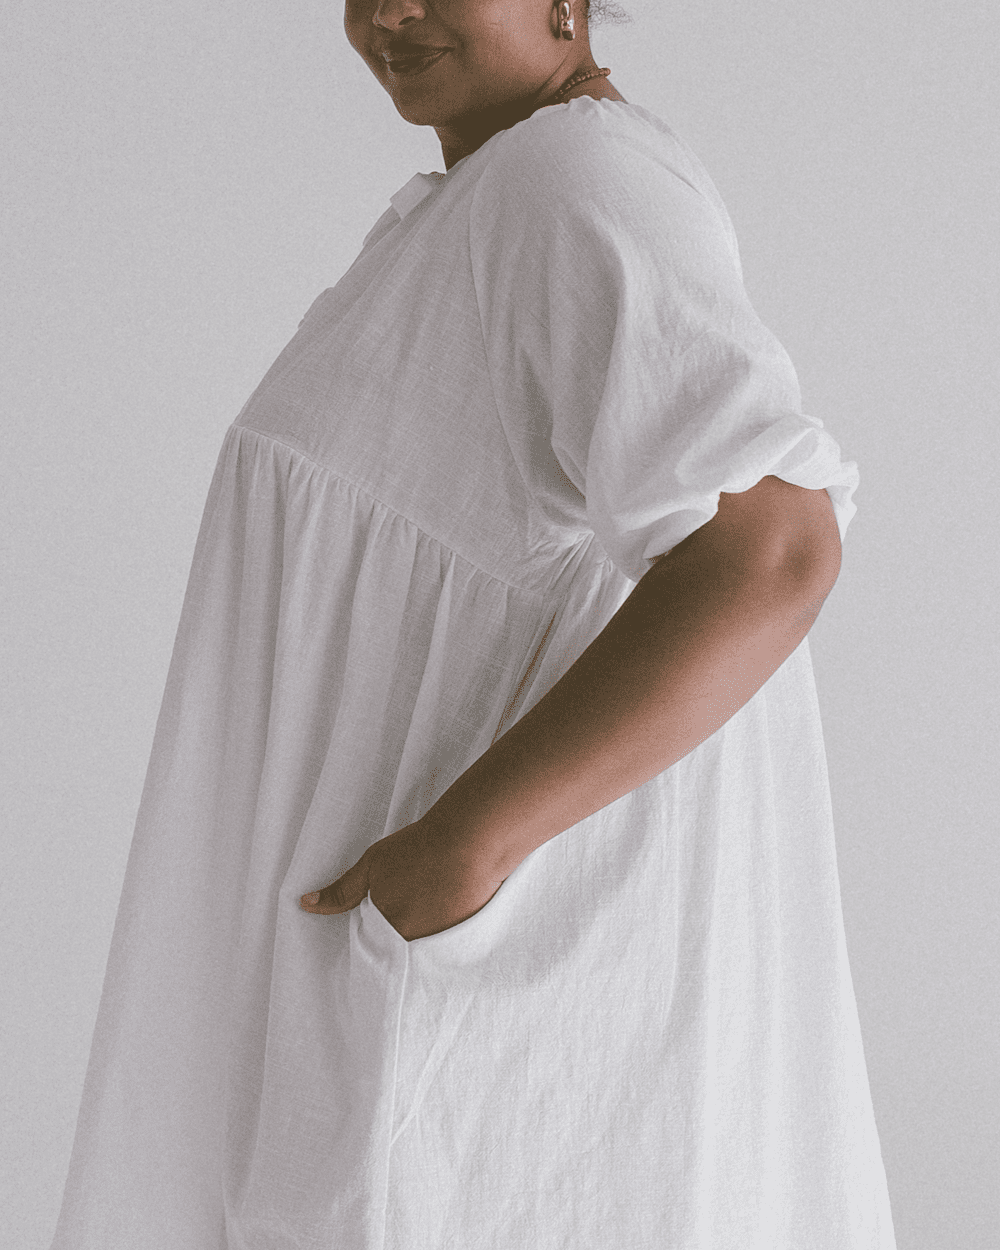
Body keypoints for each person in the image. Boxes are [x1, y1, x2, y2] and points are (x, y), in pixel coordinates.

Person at [49, 0, 898, 1247]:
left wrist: (464, 846)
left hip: (494, 996)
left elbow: (769, 548)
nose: (389, 11)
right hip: (397, 974)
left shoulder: (576, 181)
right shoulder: (483, 202)